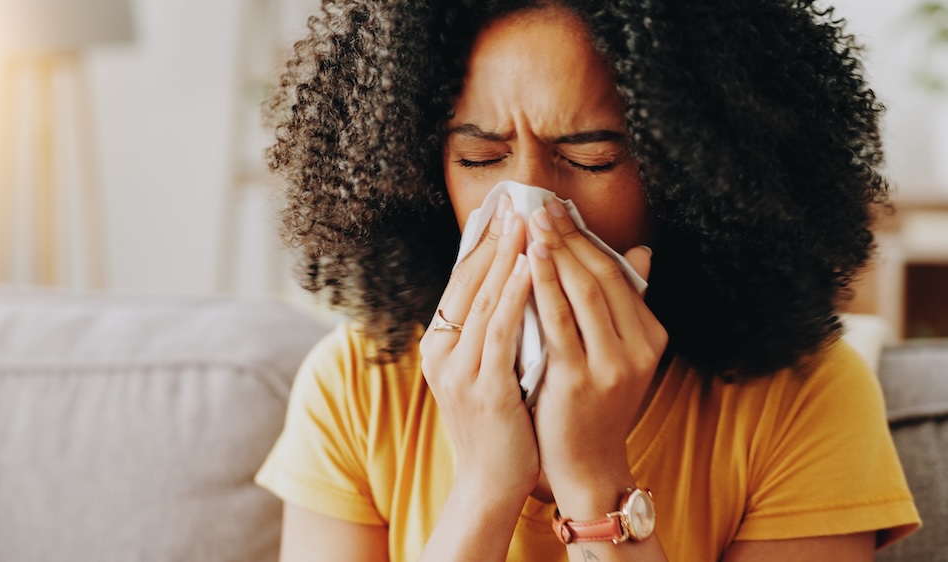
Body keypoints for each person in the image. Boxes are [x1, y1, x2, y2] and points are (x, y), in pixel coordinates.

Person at [255, 0, 921, 560]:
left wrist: (594, 476)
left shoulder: (805, 396)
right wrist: (487, 487)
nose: (527, 206)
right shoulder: (358, 383)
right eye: (480, 156)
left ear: (694, 174)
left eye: (591, 158)